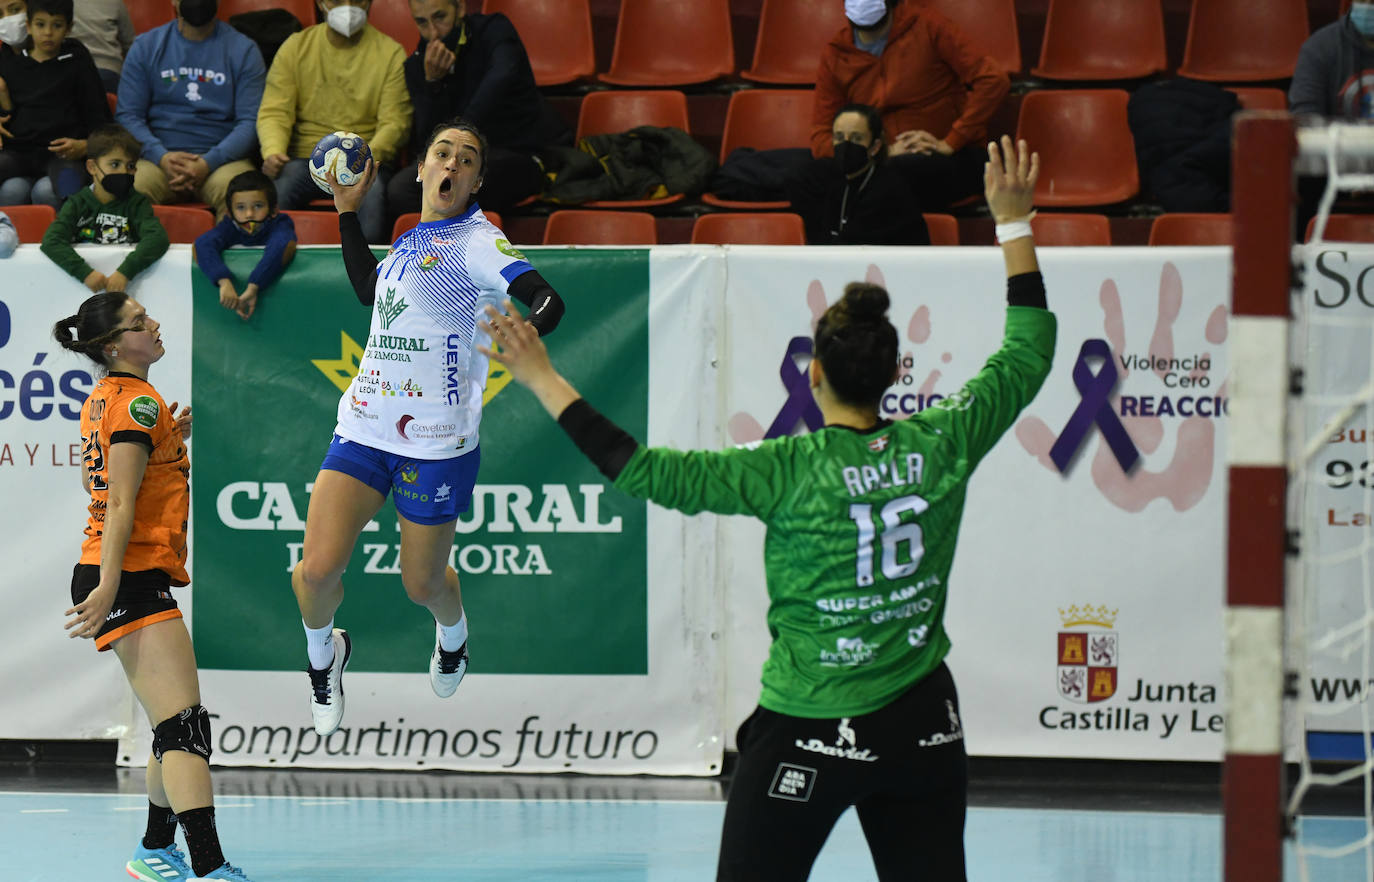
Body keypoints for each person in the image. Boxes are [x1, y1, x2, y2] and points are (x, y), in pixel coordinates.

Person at [480, 136, 1053, 882]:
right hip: (922, 722)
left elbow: (640, 470)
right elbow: (1030, 347)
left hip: (811, 723)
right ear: (895, 374)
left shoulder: (786, 470)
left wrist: (541, 375)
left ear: (813, 375)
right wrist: (1014, 222)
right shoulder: (945, 440)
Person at [292, 117, 566, 736]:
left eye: (466, 159)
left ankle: (454, 634)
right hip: (364, 428)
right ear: (420, 169)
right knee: (315, 572)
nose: (451, 165)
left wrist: (530, 329)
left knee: (421, 586)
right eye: (442, 154)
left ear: (475, 182)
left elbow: (548, 299)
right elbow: (368, 289)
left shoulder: (479, 242)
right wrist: (345, 212)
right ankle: (323, 656)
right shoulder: (410, 239)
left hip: (436, 445)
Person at [54, 292, 257, 881]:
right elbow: (117, 501)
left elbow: (127, 478)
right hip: (126, 575)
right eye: (140, 322)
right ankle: (209, 866)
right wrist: (111, 582)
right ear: (115, 344)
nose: (155, 323)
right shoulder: (137, 404)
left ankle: (153, 850)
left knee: (174, 722)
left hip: (126, 571)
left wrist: (170, 435)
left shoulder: (114, 398)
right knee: (186, 726)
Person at [812, 0, 1009, 211]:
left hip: (952, 157)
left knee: (889, 177)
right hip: (880, 160)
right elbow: (821, 138)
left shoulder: (929, 26)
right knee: (803, 173)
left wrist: (951, 141)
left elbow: (993, 80)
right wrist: (881, 152)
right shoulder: (836, 53)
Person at [384, 0, 569, 217]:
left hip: (518, 153)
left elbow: (500, 79)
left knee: (465, 181)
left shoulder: (494, 30)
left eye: (440, 17)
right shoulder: (418, 66)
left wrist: (459, 137)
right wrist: (433, 85)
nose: (433, 33)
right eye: (422, 22)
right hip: (456, 160)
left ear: (460, 8)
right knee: (400, 189)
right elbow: (426, 141)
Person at [256, 0, 411, 244]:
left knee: (373, 205)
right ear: (320, 2)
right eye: (338, 0)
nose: (348, 6)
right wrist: (273, 151)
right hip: (306, 160)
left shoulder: (390, 53)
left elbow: (395, 122)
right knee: (272, 199)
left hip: (364, 162)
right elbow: (275, 110)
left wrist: (364, 160)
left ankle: (366, 273)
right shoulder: (296, 47)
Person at [115, 0, 265, 215]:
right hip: (156, 161)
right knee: (126, 188)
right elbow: (128, 116)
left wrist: (207, 163)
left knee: (246, 196)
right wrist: (161, 156)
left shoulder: (244, 50)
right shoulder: (146, 46)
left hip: (222, 163)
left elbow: (250, 122)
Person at [0, 0, 111, 207]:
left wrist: (86, 145)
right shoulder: (9, 60)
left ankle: (67, 235)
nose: (48, 33)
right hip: (21, 151)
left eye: (57, 25)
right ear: (29, 26)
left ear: (69, 28)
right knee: (11, 190)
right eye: (40, 25)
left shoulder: (76, 57)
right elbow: (7, 113)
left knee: (58, 189)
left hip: (63, 153)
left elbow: (98, 115)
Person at [40, 123, 169, 292]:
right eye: (115, 164)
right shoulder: (77, 203)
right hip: (83, 291)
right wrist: (85, 273)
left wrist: (125, 273)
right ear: (92, 167)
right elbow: (51, 241)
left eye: (130, 166)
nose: (123, 171)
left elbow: (157, 239)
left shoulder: (137, 203)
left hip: (129, 290)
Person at [788, 102, 931, 246]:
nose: (846, 145)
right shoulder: (833, 181)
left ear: (875, 147)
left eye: (857, 138)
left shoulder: (890, 189)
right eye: (839, 137)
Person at [193, 169, 297, 320]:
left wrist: (254, 285)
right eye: (241, 207)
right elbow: (202, 245)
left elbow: (283, 245)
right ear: (229, 213)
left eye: (258, 206)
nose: (249, 214)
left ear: (274, 210)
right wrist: (224, 281)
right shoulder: (229, 226)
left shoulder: (280, 224)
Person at [70, 0, 133, 93]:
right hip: (109, 71)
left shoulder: (62, 4)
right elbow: (130, 45)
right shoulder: (115, 3)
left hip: (72, 70)